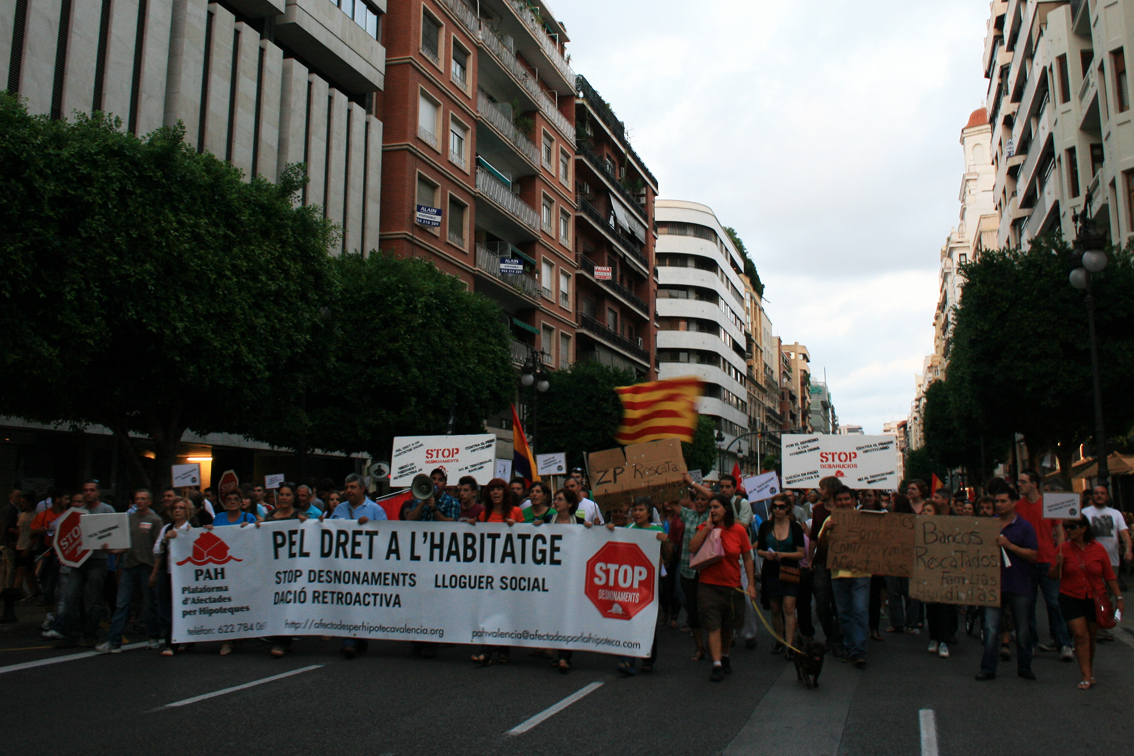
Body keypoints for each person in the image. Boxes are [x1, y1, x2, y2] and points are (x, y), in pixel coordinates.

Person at [1050, 515, 1124, 689]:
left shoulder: (1098, 549)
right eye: (1066, 528)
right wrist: (1058, 565)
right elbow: (1052, 576)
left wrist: (1119, 598)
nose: (1068, 531)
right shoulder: (1062, 549)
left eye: (1072, 527)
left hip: (1094, 598)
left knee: (1090, 636)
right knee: (1080, 635)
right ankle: (1085, 675)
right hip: (1070, 597)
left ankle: (1089, 669)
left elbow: (1109, 575)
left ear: (1083, 529)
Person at [688, 494, 756, 682]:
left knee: (728, 626)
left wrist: (750, 584)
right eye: (711, 507)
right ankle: (716, 663)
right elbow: (692, 547)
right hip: (708, 586)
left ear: (726, 509)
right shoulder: (705, 527)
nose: (712, 510)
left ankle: (724, 655)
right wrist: (707, 529)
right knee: (713, 624)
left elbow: (748, 558)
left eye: (716, 507)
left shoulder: (738, 531)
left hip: (732, 585)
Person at [976, 483, 1038, 681]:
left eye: (1003, 501)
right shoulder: (989, 526)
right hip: (994, 585)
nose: (999, 505)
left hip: (1019, 585)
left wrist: (1010, 546)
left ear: (1013, 503)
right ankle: (988, 668)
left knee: (1022, 629)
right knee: (991, 628)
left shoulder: (1025, 527)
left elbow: (1033, 555)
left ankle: (1025, 666)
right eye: (997, 501)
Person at [44, 481, 115, 647]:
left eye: (92, 490)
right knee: (70, 596)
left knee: (93, 599)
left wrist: (110, 545)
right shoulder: (78, 513)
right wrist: (65, 553)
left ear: (98, 493)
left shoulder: (106, 510)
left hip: (97, 560)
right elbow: (65, 534)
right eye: (85, 490)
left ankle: (90, 633)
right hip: (78, 561)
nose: (88, 493)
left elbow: (114, 532)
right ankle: (70, 634)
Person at [1015, 470, 1073, 661]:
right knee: (1028, 605)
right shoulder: (1018, 506)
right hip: (1027, 562)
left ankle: (1064, 643)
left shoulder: (1048, 504)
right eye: (1019, 481)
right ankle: (1031, 642)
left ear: (1034, 484)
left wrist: (1061, 552)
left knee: (1055, 603)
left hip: (1048, 561)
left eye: (1023, 481)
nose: (1019, 484)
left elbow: (1059, 529)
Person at [98, 489, 165, 653]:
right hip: (130, 566)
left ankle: (153, 636)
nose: (139, 501)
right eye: (137, 499)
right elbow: (126, 543)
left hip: (147, 566)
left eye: (143, 499)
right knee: (122, 603)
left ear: (149, 501)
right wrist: (114, 551)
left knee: (149, 604)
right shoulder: (130, 519)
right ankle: (114, 641)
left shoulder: (155, 520)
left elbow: (160, 547)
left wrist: (156, 571)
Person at [328, 473, 386, 658]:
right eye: (346, 488)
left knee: (363, 601)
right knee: (348, 600)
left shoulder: (375, 510)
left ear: (362, 489)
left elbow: (386, 535)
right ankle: (349, 640)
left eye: (353, 487)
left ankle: (360, 637)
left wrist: (370, 526)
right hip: (344, 566)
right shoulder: (339, 509)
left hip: (367, 567)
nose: (348, 491)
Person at [613, 496, 671, 675]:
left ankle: (647, 658)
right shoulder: (629, 528)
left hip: (650, 583)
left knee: (647, 621)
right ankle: (627, 660)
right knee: (629, 619)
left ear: (649, 513)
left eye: (641, 510)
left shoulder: (656, 530)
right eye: (634, 510)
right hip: (631, 582)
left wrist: (665, 541)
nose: (637, 513)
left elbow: (667, 556)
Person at [818, 486, 871, 667]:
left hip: (861, 573)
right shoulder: (830, 519)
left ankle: (858, 650)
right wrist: (826, 530)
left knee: (860, 611)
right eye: (840, 500)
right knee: (845, 613)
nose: (844, 502)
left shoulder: (866, 519)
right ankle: (850, 646)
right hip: (838, 573)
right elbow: (822, 548)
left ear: (854, 501)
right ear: (835, 502)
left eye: (847, 499)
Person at [755, 493, 805, 658]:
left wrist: (784, 555)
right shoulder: (766, 527)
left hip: (790, 571)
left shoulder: (795, 527)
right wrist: (765, 554)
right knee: (775, 608)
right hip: (771, 571)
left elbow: (801, 553)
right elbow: (759, 549)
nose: (777, 509)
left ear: (788, 508)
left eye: (781, 506)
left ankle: (790, 644)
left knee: (789, 608)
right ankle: (780, 640)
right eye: (774, 506)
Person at [1084, 485, 1132, 640]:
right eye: (1096, 493)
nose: (1099, 496)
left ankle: (1096, 624)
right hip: (1091, 561)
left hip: (1112, 562)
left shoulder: (1115, 514)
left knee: (1106, 594)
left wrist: (1128, 549)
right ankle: (1095, 626)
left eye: (1102, 493)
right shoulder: (1085, 513)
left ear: (1107, 496)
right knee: (1094, 594)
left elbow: (1124, 534)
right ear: (1092, 496)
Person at [153, 498, 195, 656]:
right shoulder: (166, 528)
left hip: (185, 575)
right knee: (167, 608)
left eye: (181, 508)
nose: (178, 510)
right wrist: (165, 539)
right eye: (175, 508)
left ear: (187, 511)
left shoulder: (191, 529)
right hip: (168, 573)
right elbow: (157, 551)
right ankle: (172, 641)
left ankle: (182, 640)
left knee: (183, 608)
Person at [809, 476, 844, 652]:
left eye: (822, 488)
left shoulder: (844, 509)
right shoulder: (818, 510)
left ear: (830, 489)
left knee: (839, 604)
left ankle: (837, 640)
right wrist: (810, 559)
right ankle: (831, 635)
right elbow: (814, 536)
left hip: (841, 563)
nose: (819, 491)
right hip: (822, 562)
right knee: (822, 604)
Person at [677, 478, 711, 660]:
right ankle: (700, 648)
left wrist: (691, 482)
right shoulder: (688, 515)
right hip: (688, 571)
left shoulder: (712, 516)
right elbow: (669, 503)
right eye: (697, 499)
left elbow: (713, 496)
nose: (700, 502)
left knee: (709, 611)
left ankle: (716, 645)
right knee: (694, 612)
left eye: (703, 499)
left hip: (707, 572)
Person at [886, 493, 921, 634]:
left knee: (894, 593)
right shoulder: (914, 519)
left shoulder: (890, 520)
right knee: (910, 594)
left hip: (894, 560)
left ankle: (897, 623)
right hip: (909, 560)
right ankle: (911, 623)